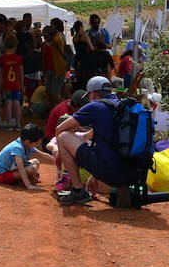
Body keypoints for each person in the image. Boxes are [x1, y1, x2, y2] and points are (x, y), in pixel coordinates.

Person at [54, 77, 127, 207]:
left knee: (63, 136)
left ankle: (77, 189)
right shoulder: (121, 105)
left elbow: (60, 129)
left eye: (88, 95)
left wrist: (65, 157)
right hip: (130, 170)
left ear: (93, 93)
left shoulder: (95, 106)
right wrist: (94, 175)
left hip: (108, 170)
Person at [0, 124, 50, 189]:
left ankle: (24, 179)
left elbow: (43, 155)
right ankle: (25, 181)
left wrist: (58, 162)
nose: (37, 145)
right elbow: (20, 168)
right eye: (36, 143)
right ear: (27, 141)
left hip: (12, 170)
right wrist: (29, 185)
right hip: (3, 175)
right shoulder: (17, 148)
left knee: (36, 162)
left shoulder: (26, 144)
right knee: (31, 169)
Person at [0, 33, 24, 130]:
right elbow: (21, 73)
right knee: (16, 102)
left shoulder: (2, 59)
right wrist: (21, 85)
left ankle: (9, 123)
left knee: (8, 103)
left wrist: (1, 85)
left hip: (7, 84)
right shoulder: (18, 58)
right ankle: (17, 124)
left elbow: (1, 74)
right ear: (16, 46)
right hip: (16, 84)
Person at [43, 19, 69, 105]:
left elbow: (52, 43)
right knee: (52, 92)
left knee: (55, 92)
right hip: (55, 68)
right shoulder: (58, 37)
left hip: (59, 68)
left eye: (46, 36)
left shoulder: (57, 38)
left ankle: (64, 109)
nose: (45, 38)